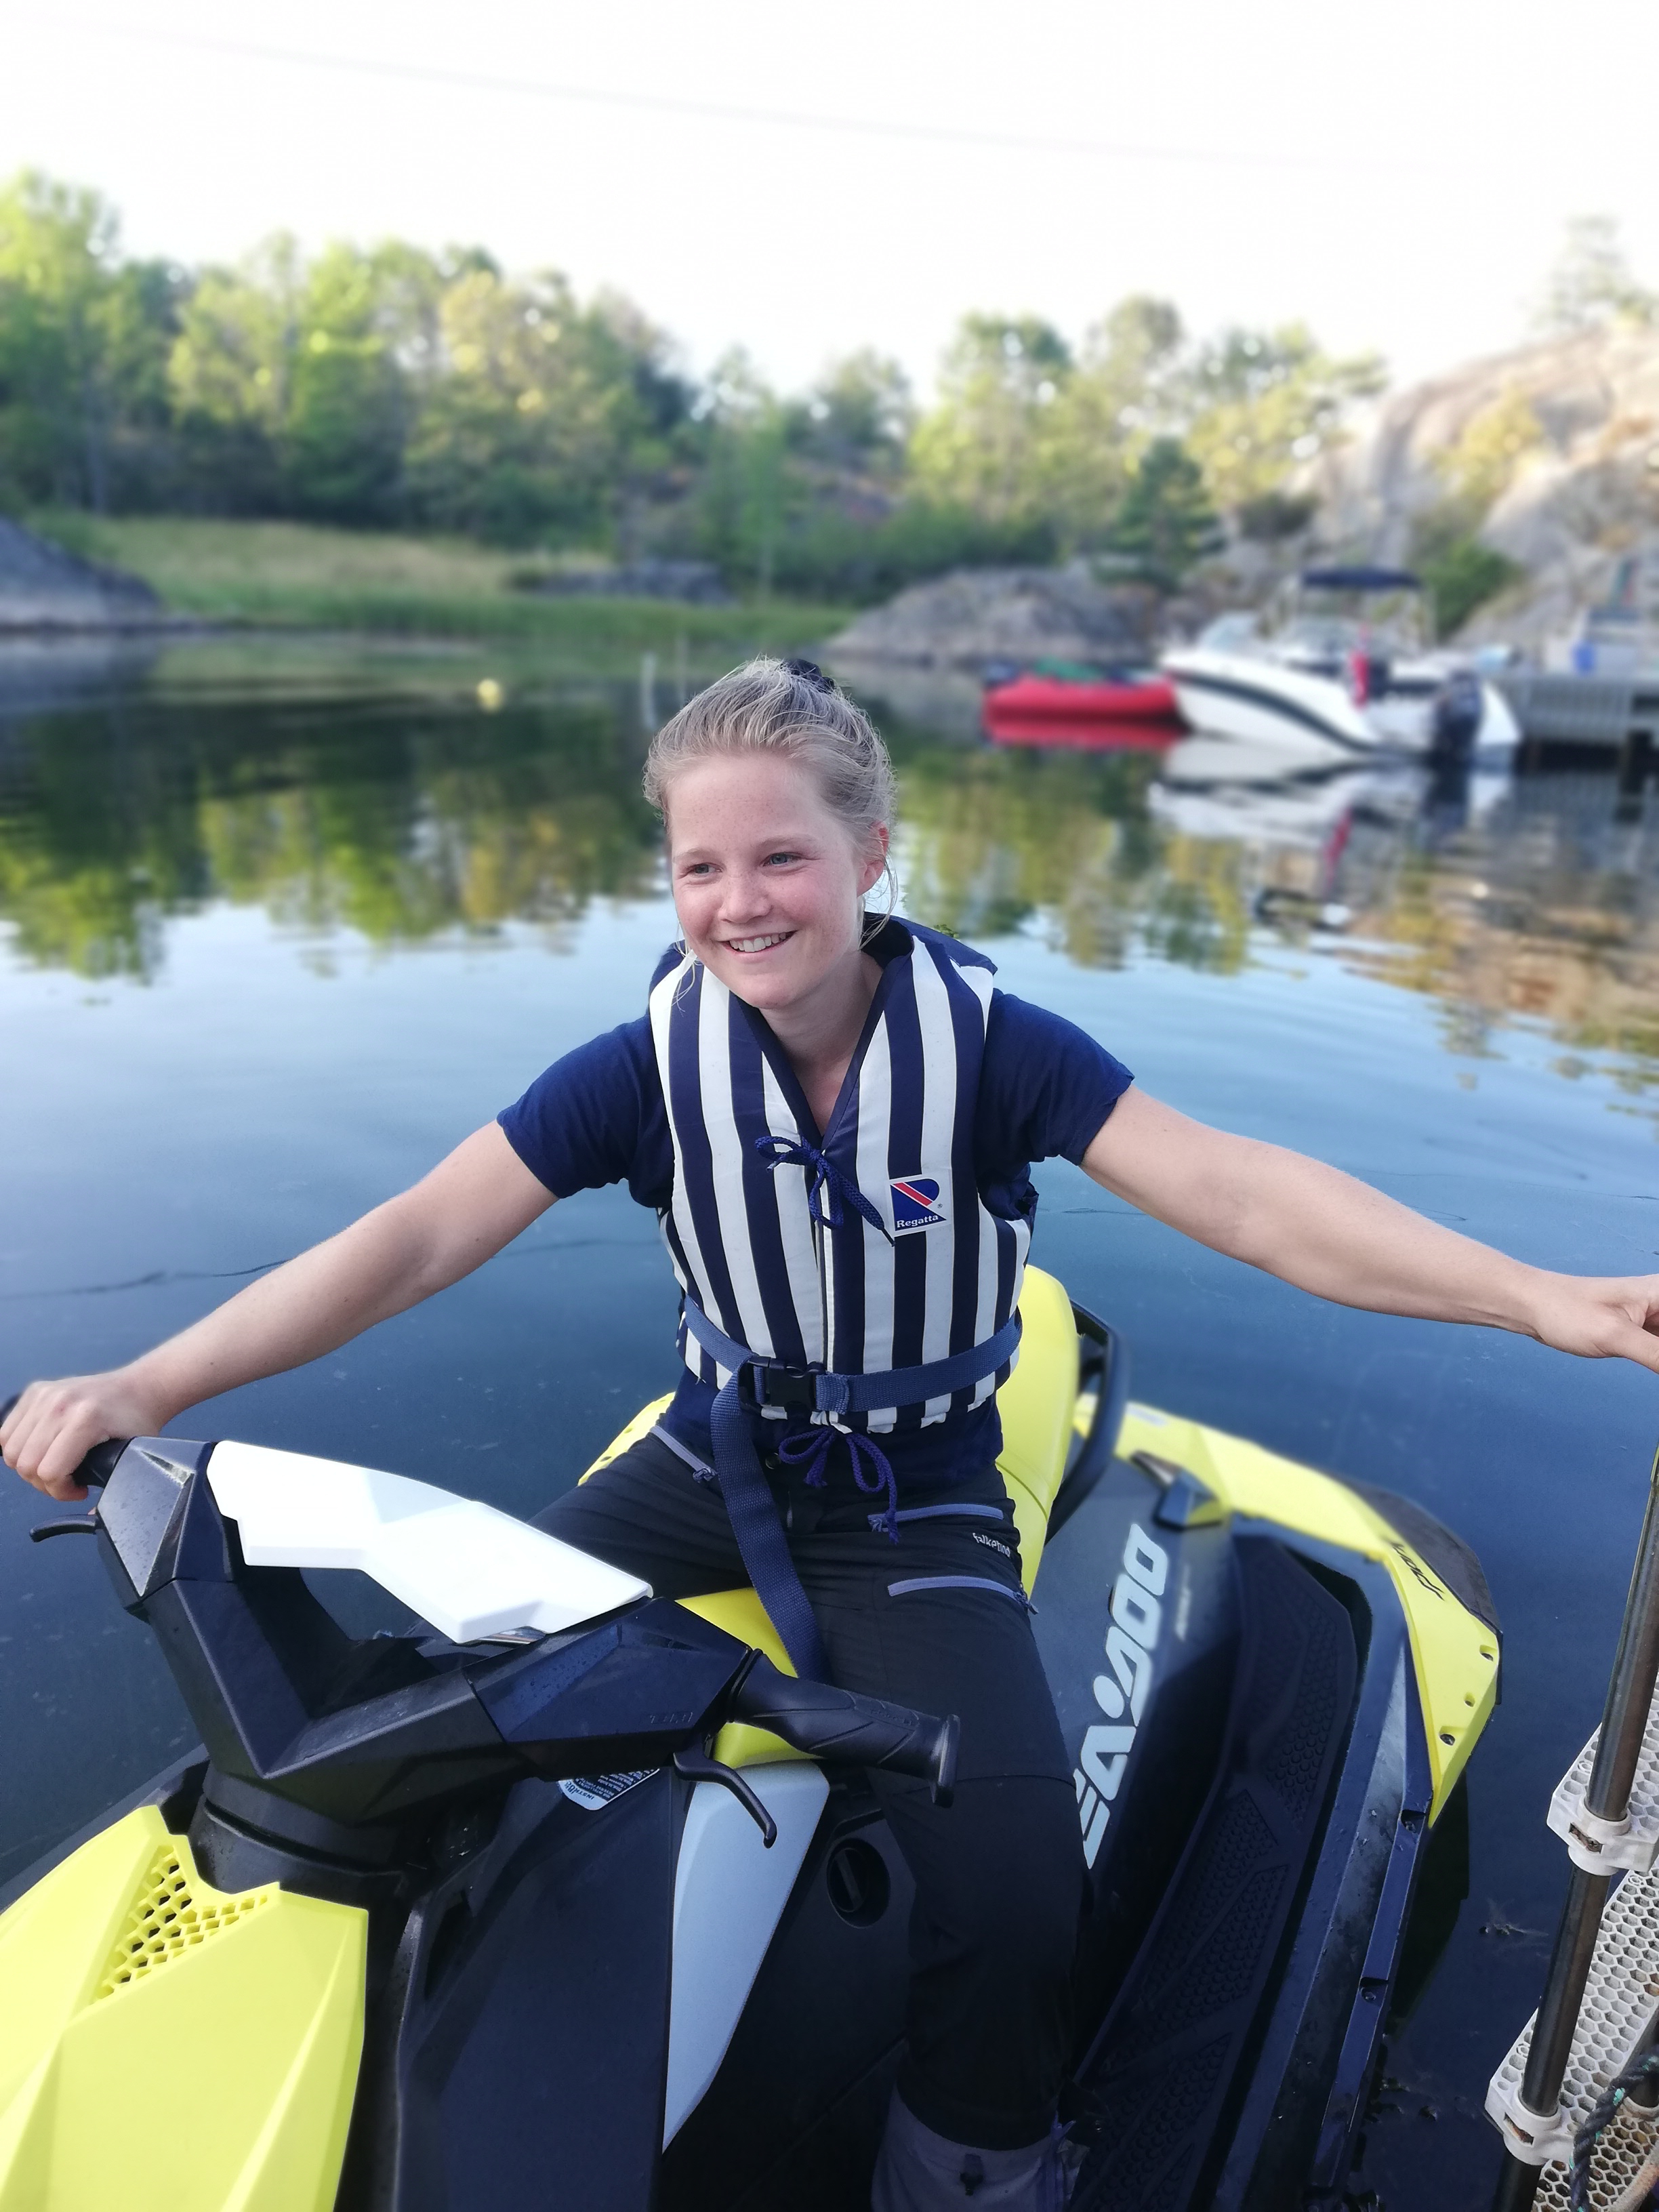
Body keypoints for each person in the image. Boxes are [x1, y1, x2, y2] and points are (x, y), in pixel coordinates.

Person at [5, 657, 1658, 2212]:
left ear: (871, 855)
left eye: (781, 857)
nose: (739, 904)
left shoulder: (994, 1053)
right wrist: (151, 1385)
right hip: (703, 1465)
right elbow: (417, 1238)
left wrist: (1540, 1299)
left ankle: (972, 2174)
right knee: (429, 1711)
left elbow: (1240, 1194)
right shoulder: (641, 1073)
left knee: (1015, 1892)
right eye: (699, 868)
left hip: (910, 1497)